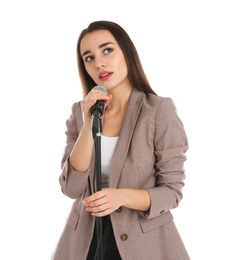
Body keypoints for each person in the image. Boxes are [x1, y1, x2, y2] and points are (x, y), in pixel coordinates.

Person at [51, 20, 190, 260]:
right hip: (85, 243)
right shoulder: (79, 112)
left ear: (126, 52)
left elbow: (172, 192)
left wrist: (121, 197)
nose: (99, 63)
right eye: (89, 57)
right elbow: (71, 188)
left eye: (107, 50)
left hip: (144, 244)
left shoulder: (158, 111)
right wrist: (87, 125)